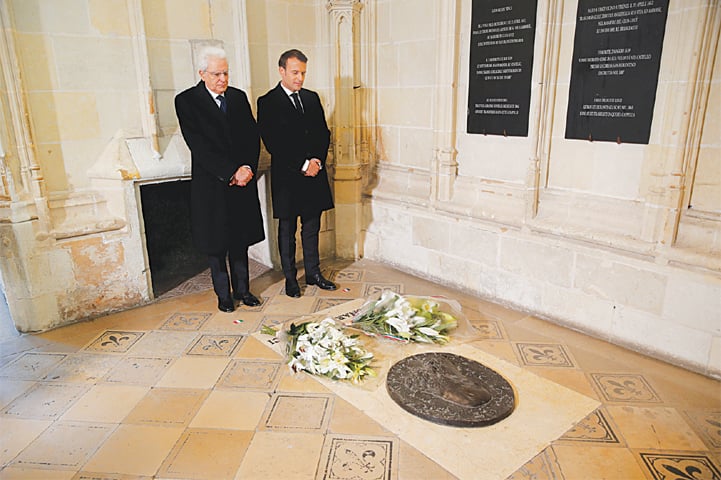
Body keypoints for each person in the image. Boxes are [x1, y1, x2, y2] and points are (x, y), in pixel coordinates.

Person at [175, 46, 264, 312]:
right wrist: (230, 172)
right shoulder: (186, 101)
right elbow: (199, 145)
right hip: (212, 184)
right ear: (202, 74)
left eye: (225, 73)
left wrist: (247, 168)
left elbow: (252, 136)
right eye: (216, 74)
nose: (223, 79)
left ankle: (243, 290)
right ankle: (224, 295)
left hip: (242, 182)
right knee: (216, 244)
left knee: (240, 239)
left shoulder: (238, 97)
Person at [257, 49, 337, 298]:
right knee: (287, 230)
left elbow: (323, 134)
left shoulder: (312, 98)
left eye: (303, 72)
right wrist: (303, 164)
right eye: (295, 72)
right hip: (288, 178)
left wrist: (316, 161)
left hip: (314, 173)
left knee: (312, 226)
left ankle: (313, 273)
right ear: (281, 71)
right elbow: (274, 142)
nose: (300, 78)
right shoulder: (267, 102)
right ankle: (291, 278)